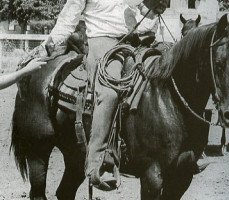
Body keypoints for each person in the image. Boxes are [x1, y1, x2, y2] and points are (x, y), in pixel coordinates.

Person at [36, 0, 167, 191]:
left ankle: (180, 152)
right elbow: (68, 18)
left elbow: (141, 10)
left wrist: (153, 11)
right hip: (102, 42)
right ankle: (98, 162)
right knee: (110, 93)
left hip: (136, 42)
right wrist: (49, 44)